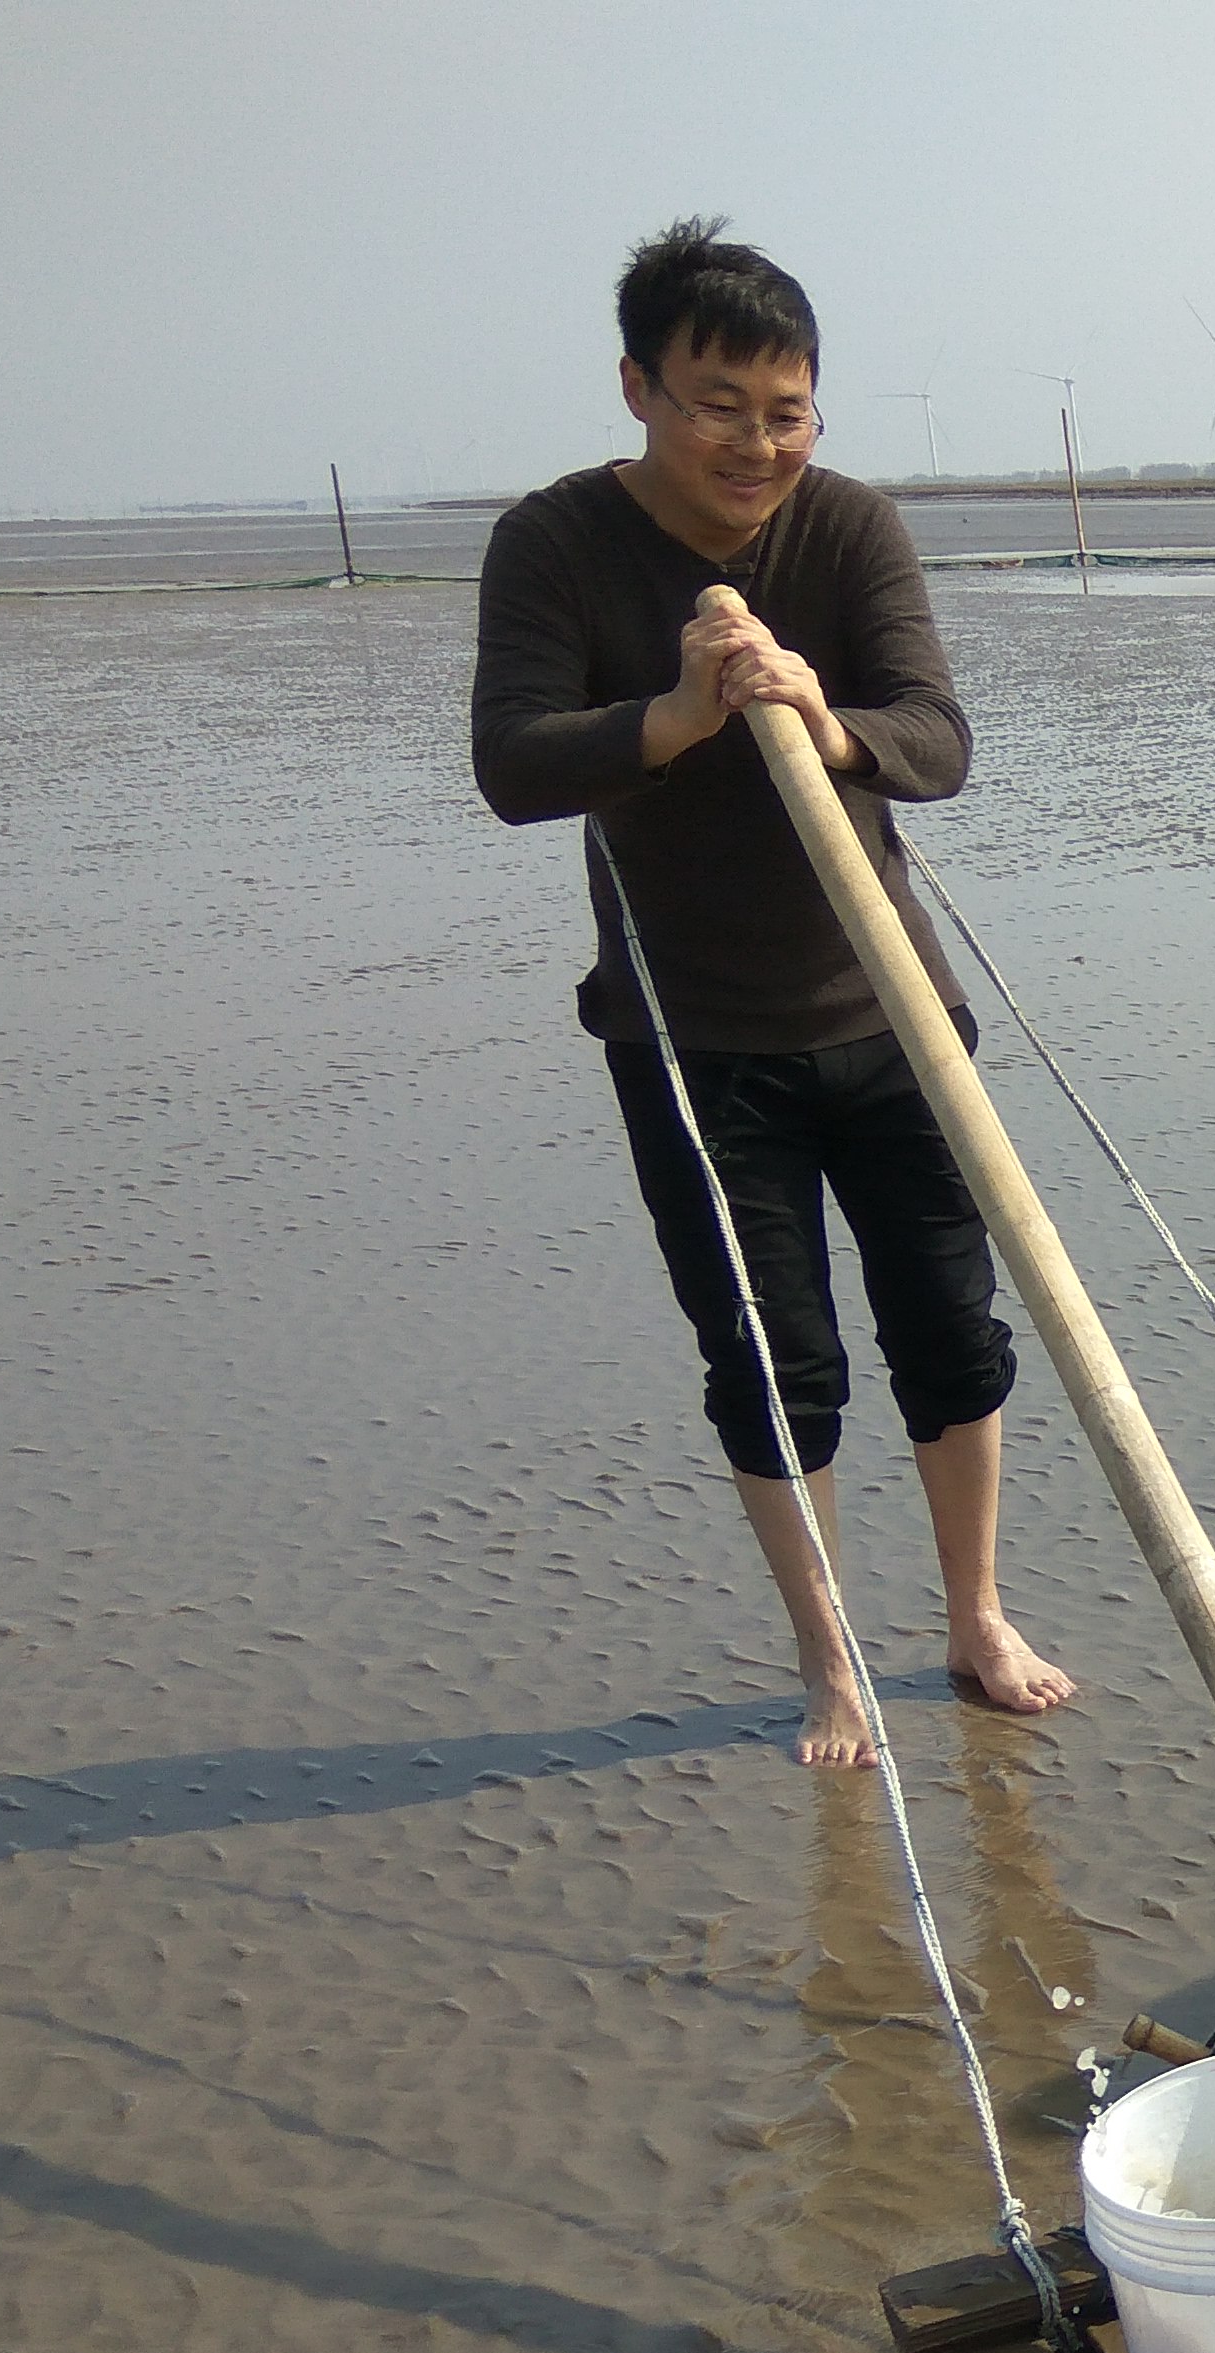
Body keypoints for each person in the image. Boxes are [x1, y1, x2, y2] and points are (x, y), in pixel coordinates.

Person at [472, 217, 1069, 1766]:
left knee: (953, 1327)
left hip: (892, 1015)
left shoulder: (850, 529)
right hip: (691, 1046)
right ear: (639, 390)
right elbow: (513, 764)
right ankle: (828, 1664)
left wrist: (829, 714)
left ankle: (975, 1616)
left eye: (787, 411)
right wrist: (670, 717)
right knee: (774, 1357)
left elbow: (937, 736)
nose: (756, 443)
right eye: (718, 404)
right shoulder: (553, 542)